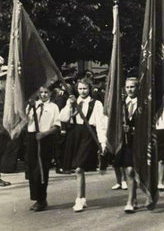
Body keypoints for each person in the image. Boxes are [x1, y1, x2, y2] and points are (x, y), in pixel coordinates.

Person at [59, 78, 107, 212]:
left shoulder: (96, 104)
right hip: (74, 135)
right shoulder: (73, 101)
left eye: (85, 88)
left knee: (79, 168)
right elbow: (63, 118)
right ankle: (83, 198)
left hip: (88, 136)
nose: (82, 91)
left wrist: (102, 142)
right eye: (80, 88)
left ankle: (78, 199)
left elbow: (101, 124)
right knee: (77, 169)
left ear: (90, 89)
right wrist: (69, 105)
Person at [26, 86, 61, 211]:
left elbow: (56, 126)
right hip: (32, 138)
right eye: (41, 92)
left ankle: (42, 200)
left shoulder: (53, 107)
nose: (43, 95)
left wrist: (44, 134)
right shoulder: (33, 105)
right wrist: (29, 107)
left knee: (41, 170)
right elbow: (26, 120)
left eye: (46, 92)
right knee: (32, 169)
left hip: (45, 139)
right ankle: (36, 198)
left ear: (51, 93)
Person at [111, 78, 139, 213]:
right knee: (128, 170)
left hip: (138, 142)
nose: (130, 90)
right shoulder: (121, 104)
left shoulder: (143, 104)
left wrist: (133, 130)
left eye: (132, 87)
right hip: (124, 142)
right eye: (127, 87)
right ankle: (131, 199)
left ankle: (132, 199)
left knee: (133, 171)